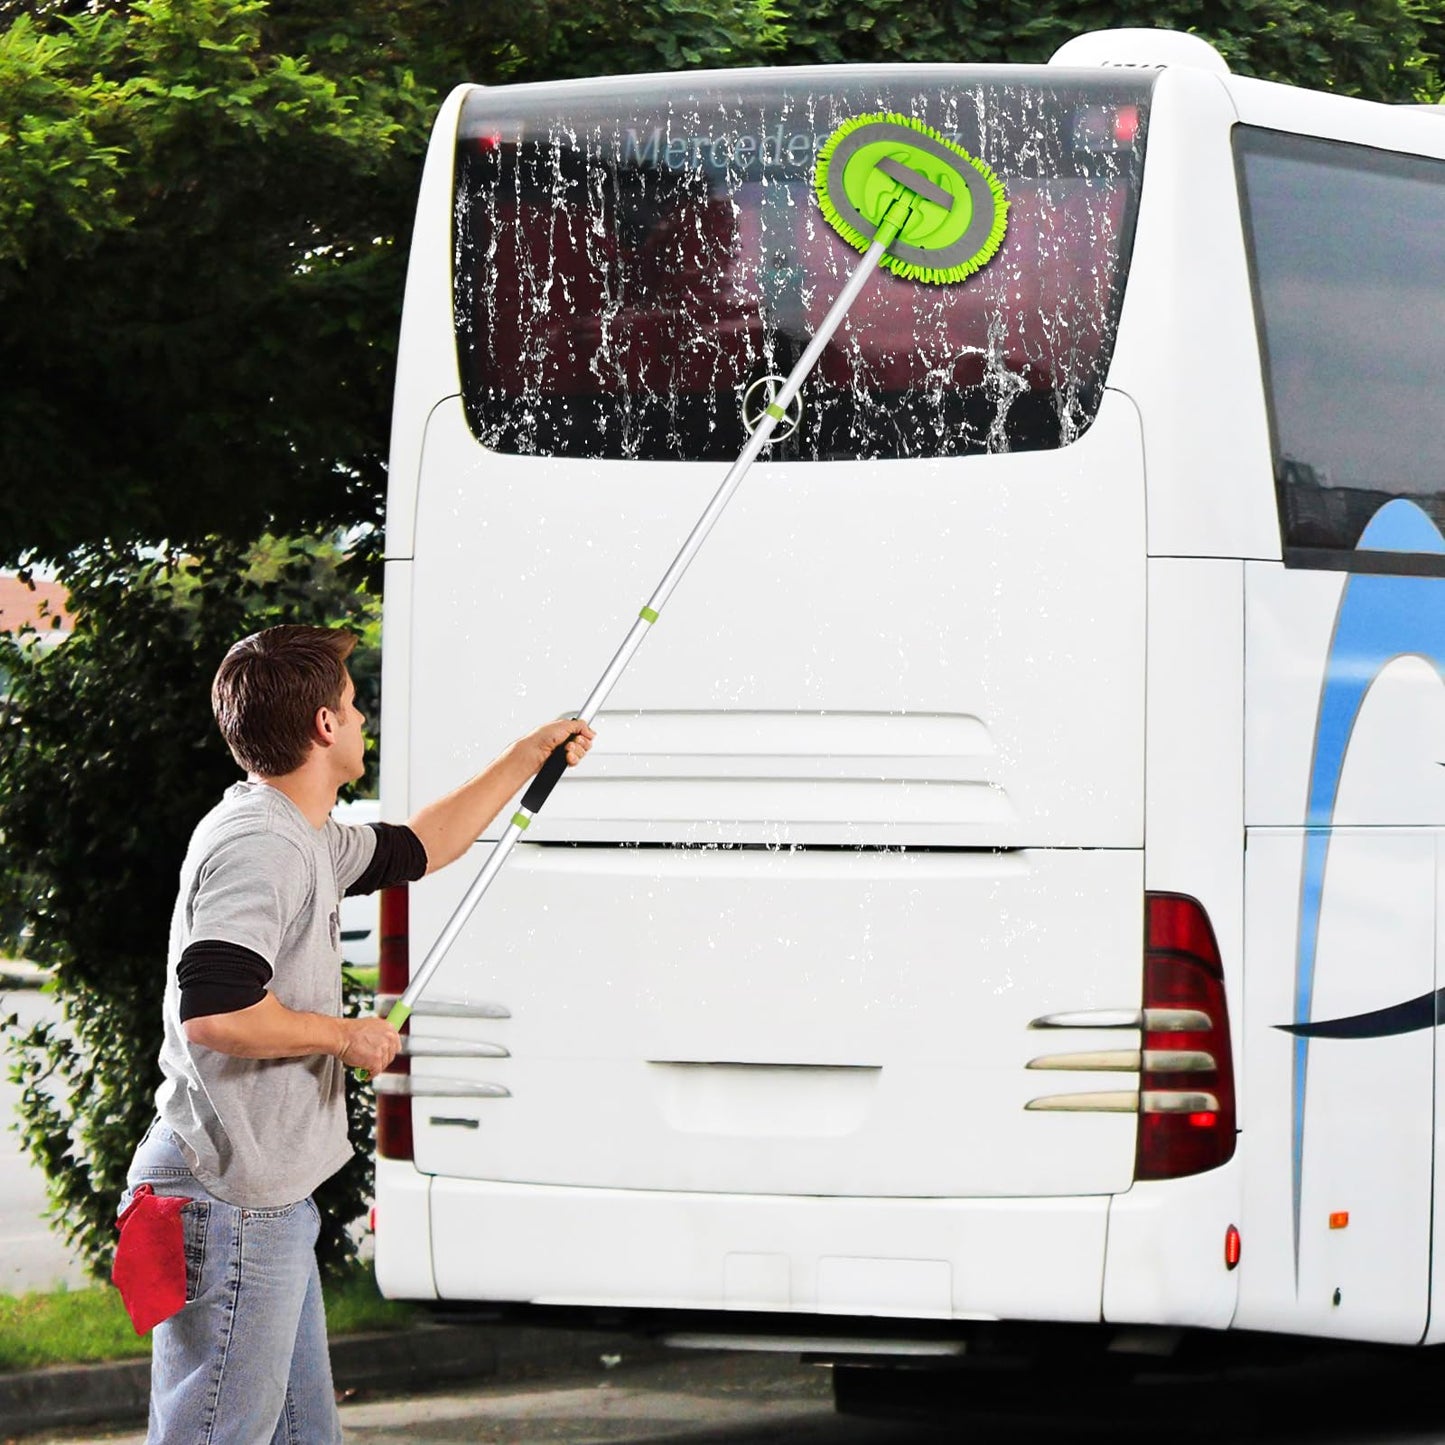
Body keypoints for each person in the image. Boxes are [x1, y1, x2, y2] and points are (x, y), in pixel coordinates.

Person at [118, 624, 593, 1444]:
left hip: (264, 1197)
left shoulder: (299, 833)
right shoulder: (260, 842)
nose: (362, 712)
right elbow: (217, 1010)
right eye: (350, 700)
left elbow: (422, 845)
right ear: (324, 728)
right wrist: (344, 1036)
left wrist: (527, 755)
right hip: (228, 1197)